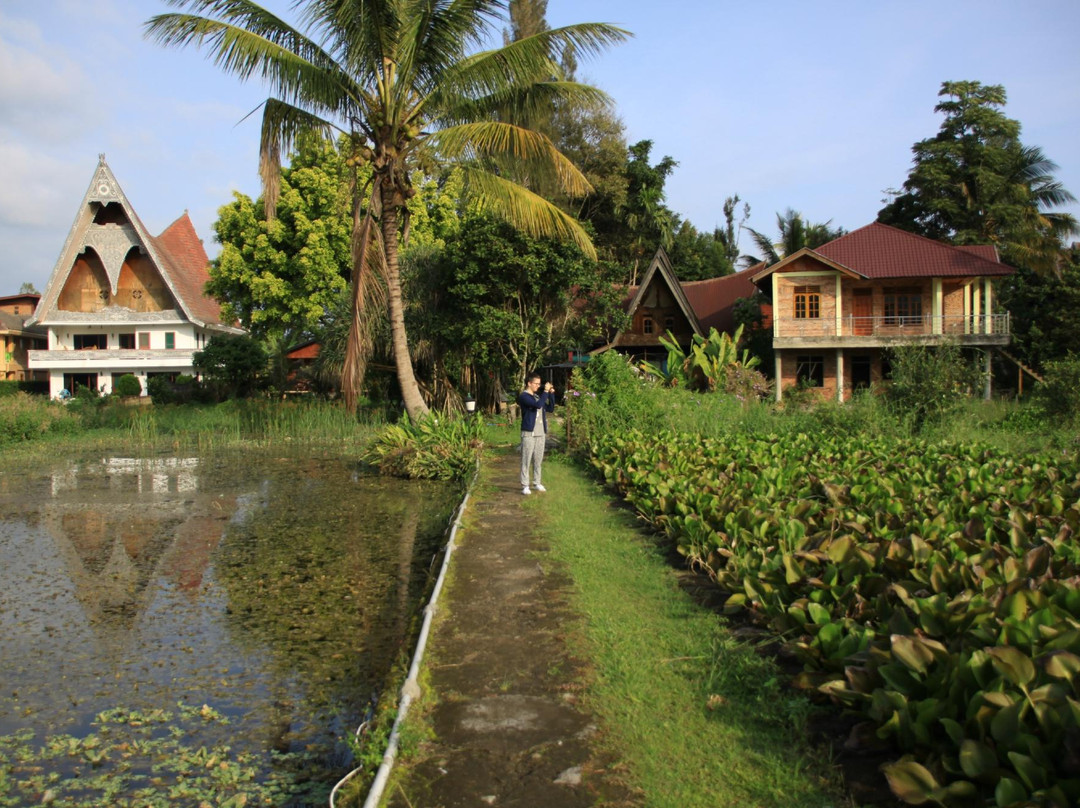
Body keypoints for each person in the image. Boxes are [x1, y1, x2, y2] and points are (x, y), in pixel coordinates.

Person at [517, 373, 555, 495]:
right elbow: (537, 405)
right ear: (529, 383)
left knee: (538, 459)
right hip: (529, 432)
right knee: (526, 459)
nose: (538, 386)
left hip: (540, 433)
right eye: (536, 384)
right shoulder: (524, 396)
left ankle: (537, 482)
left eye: (539, 384)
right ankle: (525, 485)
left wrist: (551, 394)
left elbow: (550, 408)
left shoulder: (538, 396)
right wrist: (545, 391)